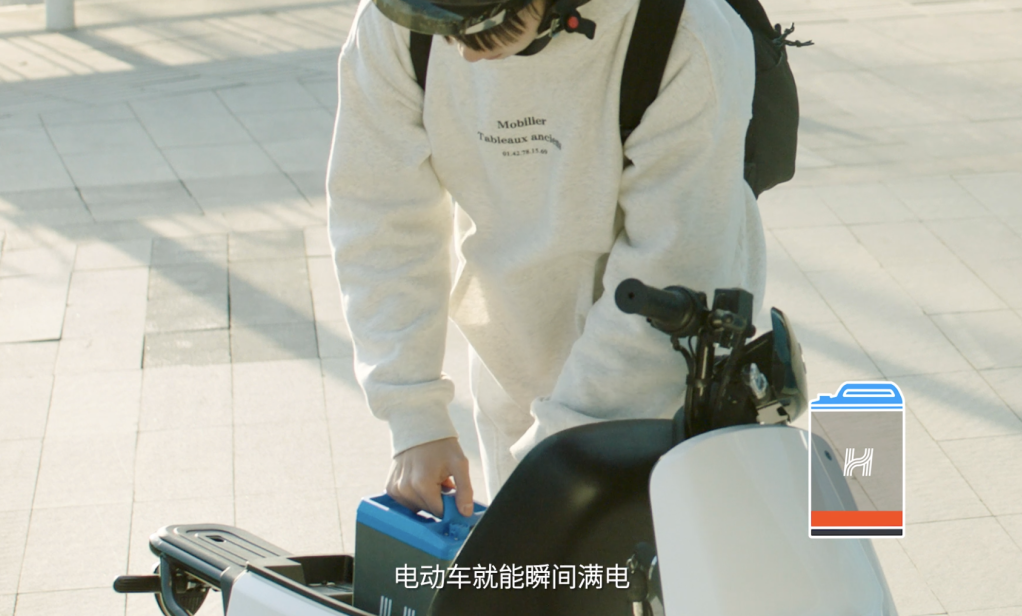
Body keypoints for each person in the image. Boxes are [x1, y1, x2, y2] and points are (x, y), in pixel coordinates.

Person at [326, 0, 766, 520]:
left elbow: (672, 268)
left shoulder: (687, 35)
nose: (465, 57)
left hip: (663, 391)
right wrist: (414, 415)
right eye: (441, 29)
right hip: (511, 358)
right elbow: (380, 217)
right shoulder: (393, 23)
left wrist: (553, 463)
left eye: (484, 29)